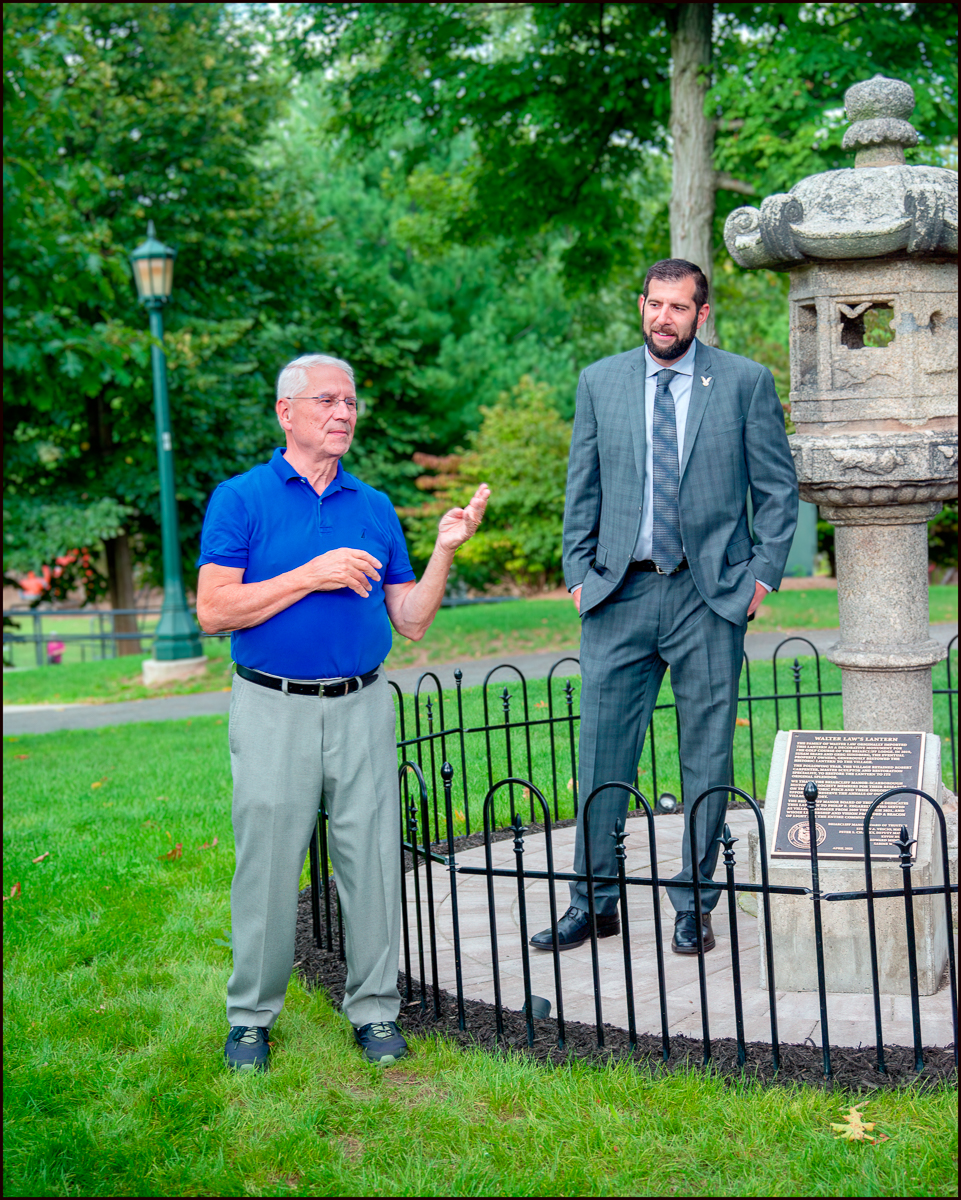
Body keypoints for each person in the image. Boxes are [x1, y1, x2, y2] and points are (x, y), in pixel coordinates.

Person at [196, 353, 489, 1071]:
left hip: (362, 706)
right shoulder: (241, 499)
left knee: (372, 861)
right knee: (267, 867)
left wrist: (444, 551)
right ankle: (250, 1020)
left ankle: (376, 1010)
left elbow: (410, 619)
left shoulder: (373, 506)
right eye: (327, 400)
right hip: (273, 707)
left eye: (351, 402)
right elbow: (213, 610)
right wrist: (311, 574)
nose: (343, 412)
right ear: (286, 412)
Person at [530, 259, 798, 956]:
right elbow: (581, 490)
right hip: (617, 593)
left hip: (708, 596)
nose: (663, 318)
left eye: (678, 307)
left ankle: (694, 903)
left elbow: (777, 491)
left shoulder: (743, 382)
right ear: (641, 306)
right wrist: (579, 576)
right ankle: (593, 902)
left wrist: (758, 580)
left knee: (706, 756)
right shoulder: (600, 382)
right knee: (601, 754)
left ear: (701, 314)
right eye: (654, 304)